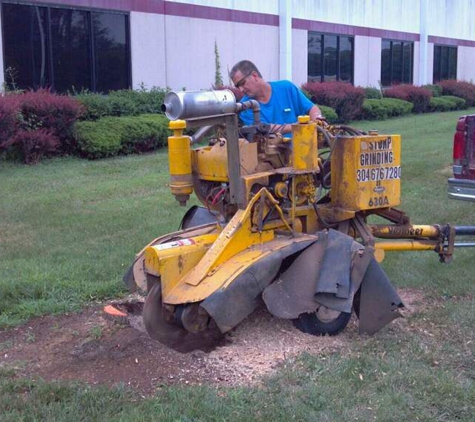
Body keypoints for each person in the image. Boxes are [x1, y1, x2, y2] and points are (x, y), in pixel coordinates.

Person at [229, 60, 324, 135]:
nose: (240, 89)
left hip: (302, 149)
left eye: (242, 83)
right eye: (237, 86)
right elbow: (263, 129)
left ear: (254, 75)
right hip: (271, 157)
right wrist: (300, 127)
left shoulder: (286, 88)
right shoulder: (245, 107)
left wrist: (317, 121)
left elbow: (312, 108)